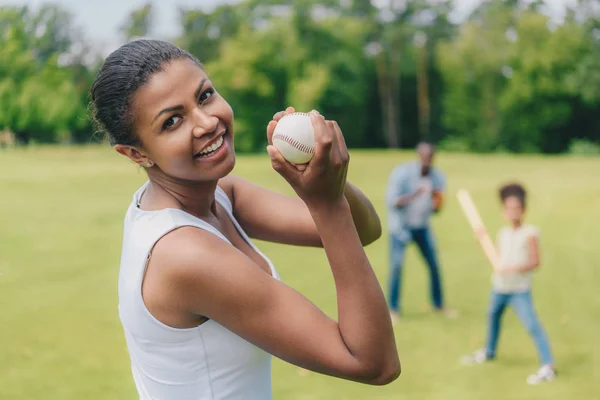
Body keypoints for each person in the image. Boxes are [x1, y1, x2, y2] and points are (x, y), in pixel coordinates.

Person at [89, 39, 399, 400]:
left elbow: (364, 229)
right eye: (172, 121)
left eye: (204, 96)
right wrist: (327, 205)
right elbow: (374, 362)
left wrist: (327, 177)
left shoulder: (219, 195)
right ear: (135, 153)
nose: (206, 122)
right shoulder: (183, 254)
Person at [461, 183, 556, 384]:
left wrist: (512, 269)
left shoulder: (530, 232)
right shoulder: (503, 233)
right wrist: (481, 241)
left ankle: (548, 365)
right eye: (508, 208)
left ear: (523, 210)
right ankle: (489, 351)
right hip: (499, 287)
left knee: (531, 325)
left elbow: (535, 262)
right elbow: (497, 261)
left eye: (516, 208)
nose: (512, 212)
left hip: (518, 290)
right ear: (503, 211)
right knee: (492, 317)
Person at [385, 142, 454, 321]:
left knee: (433, 264)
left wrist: (436, 200)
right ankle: (393, 309)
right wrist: (415, 194)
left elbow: (437, 209)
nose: (426, 161)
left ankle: (439, 305)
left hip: (422, 227)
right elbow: (392, 202)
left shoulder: (437, 177)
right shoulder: (402, 173)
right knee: (397, 266)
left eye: (430, 157)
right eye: (423, 157)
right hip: (401, 227)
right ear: (418, 156)